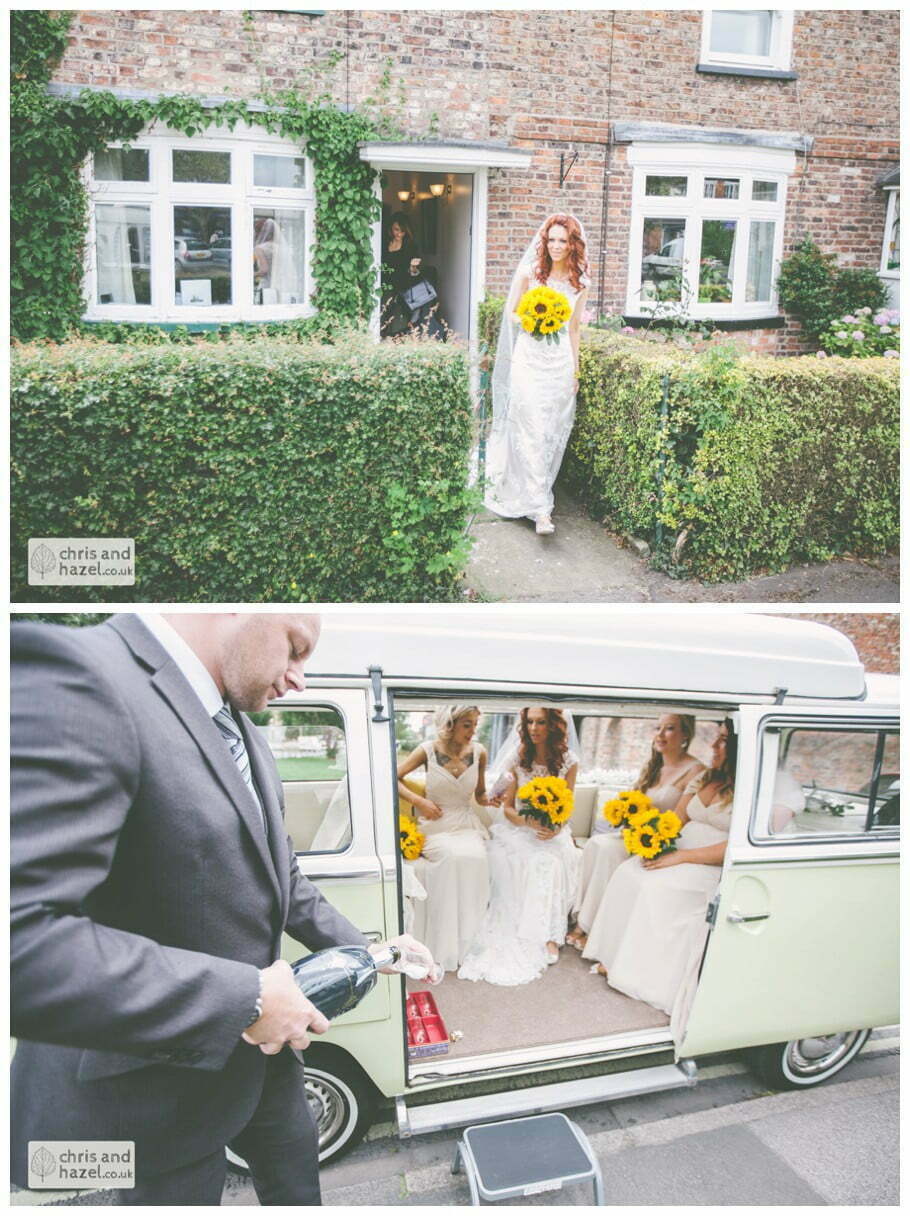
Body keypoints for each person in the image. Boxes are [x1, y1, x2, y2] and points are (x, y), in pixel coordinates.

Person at [10, 613, 436, 1205]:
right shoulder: (82, 677)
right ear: (235, 608)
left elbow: (281, 879)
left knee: (299, 1188)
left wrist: (372, 951)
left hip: (268, 1066)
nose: (300, 678)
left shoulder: (246, 734)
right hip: (163, 1078)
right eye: (295, 647)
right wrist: (248, 998)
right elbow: (22, 942)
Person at [582, 720, 737, 1017]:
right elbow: (676, 821)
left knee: (653, 886)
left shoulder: (748, 789)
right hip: (680, 850)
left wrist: (682, 857)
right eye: (717, 738)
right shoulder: (705, 777)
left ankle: (632, 968)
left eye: (723, 741)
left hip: (709, 863)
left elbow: (735, 845)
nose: (714, 746)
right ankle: (612, 953)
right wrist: (653, 841)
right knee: (629, 871)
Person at [484, 213, 590, 535]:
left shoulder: (580, 282)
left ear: (572, 244)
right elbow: (511, 312)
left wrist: (575, 371)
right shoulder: (531, 272)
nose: (556, 246)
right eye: (552, 240)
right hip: (528, 360)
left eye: (563, 240)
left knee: (548, 431)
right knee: (530, 427)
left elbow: (574, 328)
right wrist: (533, 320)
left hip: (558, 365)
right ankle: (541, 510)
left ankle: (534, 492)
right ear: (545, 242)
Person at [458, 707, 581, 986]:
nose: (534, 728)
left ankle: (549, 935)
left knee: (552, 859)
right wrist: (529, 823)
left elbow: (567, 806)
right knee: (526, 858)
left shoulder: (569, 762)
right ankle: (530, 932)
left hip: (552, 830)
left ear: (553, 726)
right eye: (530, 722)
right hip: (518, 828)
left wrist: (555, 827)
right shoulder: (518, 758)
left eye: (541, 722)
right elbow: (509, 809)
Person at [568, 713, 705, 951]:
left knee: (607, 851)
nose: (660, 735)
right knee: (597, 844)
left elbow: (678, 821)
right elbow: (632, 800)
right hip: (636, 834)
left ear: (685, 734)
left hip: (660, 841)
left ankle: (593, 929)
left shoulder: (695, 770)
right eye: (658, 728)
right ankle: (582, 920)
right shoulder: (654, 766)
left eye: (669, 728)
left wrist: (646, 832)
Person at [397, 706, 498, 972]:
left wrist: (493, 799)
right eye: (467, 725)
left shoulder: (479, 752)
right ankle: (443, 942)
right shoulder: (427, 750)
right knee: (451, 857)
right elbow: (392, 778)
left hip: (466, 824)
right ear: (450, 724)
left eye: (475, 724)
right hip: (436, 825)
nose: (473, 731)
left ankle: (468, 940)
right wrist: (419, 801)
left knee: (476, 856)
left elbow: (480, 795)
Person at [381, 212, 421, 337]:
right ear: (390, 228)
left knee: (398, 322)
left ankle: (395, 341)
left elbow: (414, 273)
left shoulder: (410, 246)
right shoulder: (383, 243)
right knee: (382, 316)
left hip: (402, 288)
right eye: (396, 229)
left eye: (403, 231)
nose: (399, 234)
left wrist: (413, 267)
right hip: (385, 286)